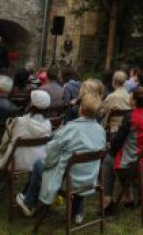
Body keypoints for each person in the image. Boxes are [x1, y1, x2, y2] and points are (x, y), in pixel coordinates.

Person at [15, 89, 106, 223]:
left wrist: (47, 163)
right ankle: (77, 211)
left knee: (39, 164)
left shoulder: (70, 128)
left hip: (67, 180)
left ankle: (29, 203)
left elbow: (51, 153)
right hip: (90, 179)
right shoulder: (101, 130)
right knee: (77, 167)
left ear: (81, 109)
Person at [101, 86, 143, 211]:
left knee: (108, 160)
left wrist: (109, 149)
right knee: (120, 157)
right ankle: (128, 196)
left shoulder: (131, 117)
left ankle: (107, 200)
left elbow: (117, 142)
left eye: (131, 95)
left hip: (135, 165)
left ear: (133, 100)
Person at [0, 89, 52, 186]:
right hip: (37, 161)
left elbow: (5, 141)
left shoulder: (19, 122)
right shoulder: (48, 124)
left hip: (15, 161)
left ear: (32, 104)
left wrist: (0, 151)